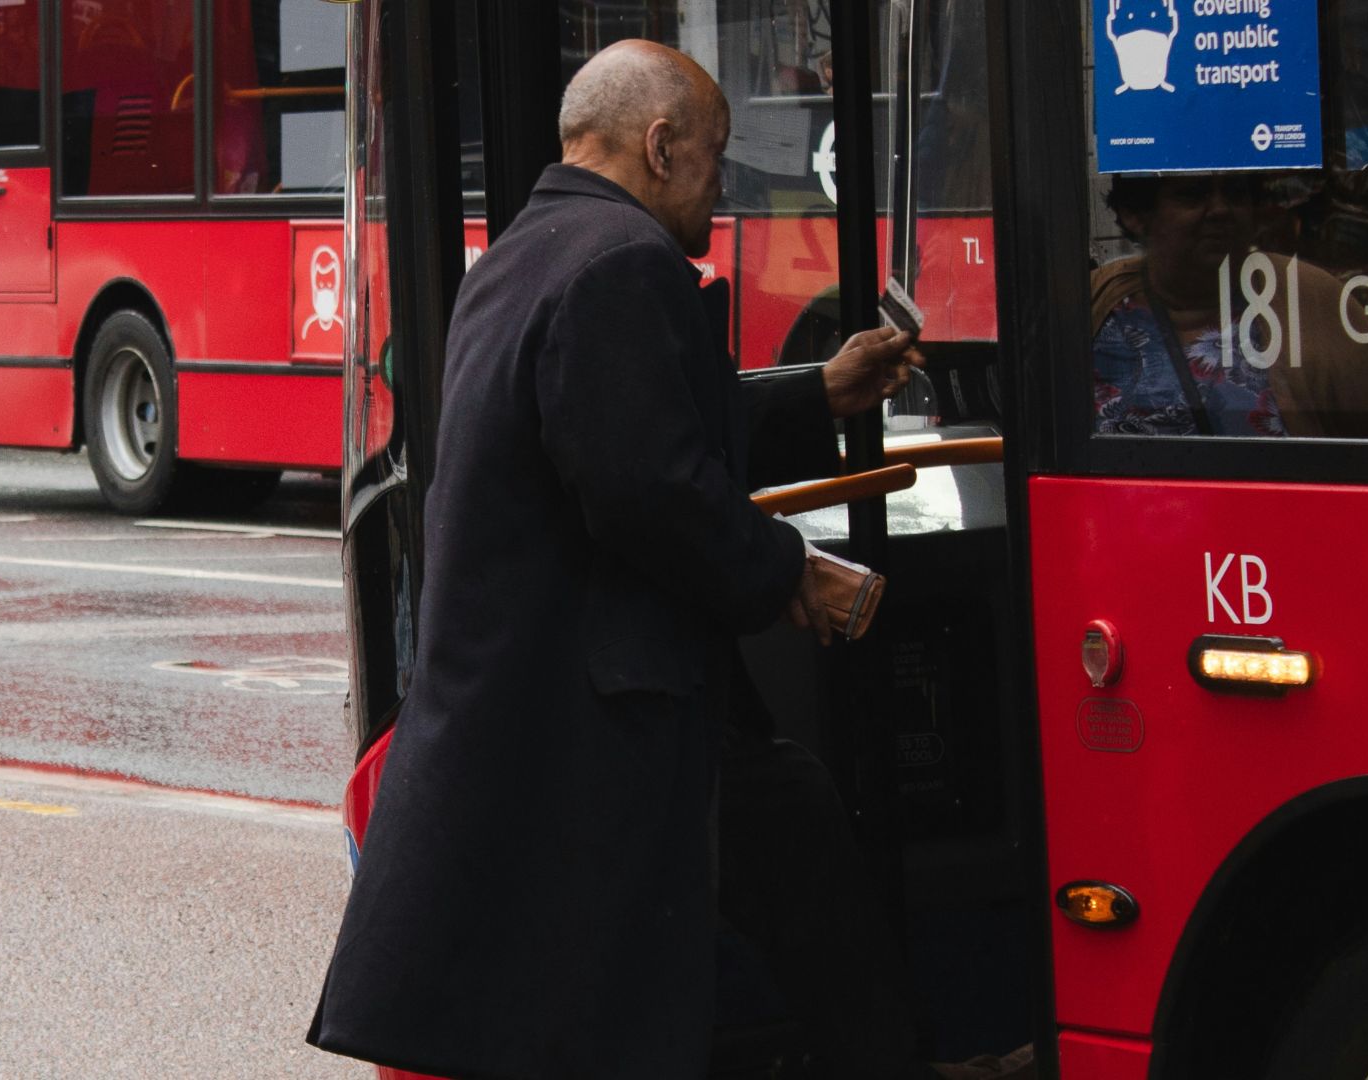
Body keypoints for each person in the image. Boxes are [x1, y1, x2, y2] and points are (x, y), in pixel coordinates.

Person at [307, 39, 934, 1079]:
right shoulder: (627, 262)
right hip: (603, 715)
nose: (720, 186)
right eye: (715, 159)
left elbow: (632, 422)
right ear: (659, 144)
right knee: (718, 922)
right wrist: (792, 575)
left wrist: (817, 391)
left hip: (566, 705)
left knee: (787, 851)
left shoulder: (528, 250)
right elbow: (648, 485)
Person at [1092, 172, 1368, 438]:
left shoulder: (1304, 296)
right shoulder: (1097, 305)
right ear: (1135, 215)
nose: (1220, 210)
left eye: (1235, 193)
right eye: (1193, 194)